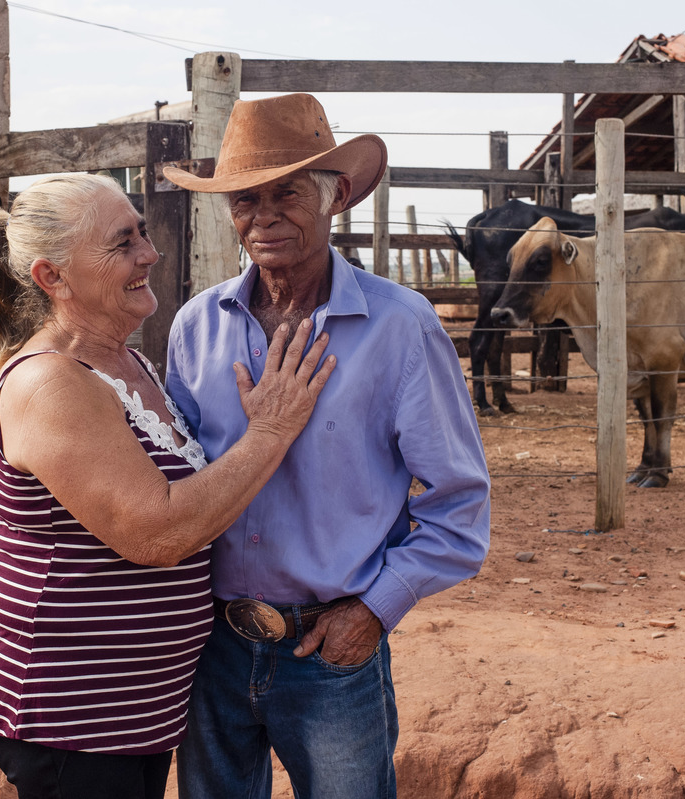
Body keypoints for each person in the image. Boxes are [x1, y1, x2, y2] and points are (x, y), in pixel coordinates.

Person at [0, 172, 336, 799]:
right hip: (72, 714)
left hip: (133, 711)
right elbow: (156, 533)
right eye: (122, 243)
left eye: (141, 232)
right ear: (52, 277)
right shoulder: (50, 383)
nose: (150, 253)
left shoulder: (127, 361)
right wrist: (272, 432)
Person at [162, 93, 492, 798]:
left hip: (331, 651)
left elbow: (460, 506)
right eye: (245, 198)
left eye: (287, 192)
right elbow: (176, 484)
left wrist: (376, 608)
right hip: (210, 647)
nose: (264, 214)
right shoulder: (197, 327)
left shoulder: (401, 328)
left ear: (336, 195)